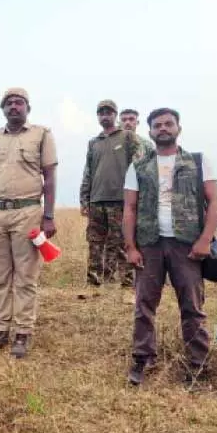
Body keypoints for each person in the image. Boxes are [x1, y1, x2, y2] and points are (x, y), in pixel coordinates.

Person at [123, 108, 217, 386]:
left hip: (187, 244)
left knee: (192, 306)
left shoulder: (198, 162)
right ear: (150, 132)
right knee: (144, 304)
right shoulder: (138, 166)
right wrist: (130, 247)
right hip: (149, 243)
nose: (163, 128)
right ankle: (143, 359)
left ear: (179, 128)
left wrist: (204, 240)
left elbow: (213, 202)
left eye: (168, 124)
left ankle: (197, 365)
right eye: (157, 125)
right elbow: (129, 208)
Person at [0, 88, 58, 358]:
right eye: (9, 103)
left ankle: (23, 332)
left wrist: (48, 216)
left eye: (19, 103)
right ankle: (0, 329)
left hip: (28, 213)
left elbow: (49, 176)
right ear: (3, 109)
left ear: (27, 108)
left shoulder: (41, 135)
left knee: (25, 276)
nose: (14, 107)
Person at [79, 100, 142, 291]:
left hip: (120, 200)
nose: (105, 116)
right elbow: (88, 171)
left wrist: (137, 197)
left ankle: (126, 283)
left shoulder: (128, 137)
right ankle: (93, 282)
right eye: (101, 113)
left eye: (108, 112)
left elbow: (138, 167)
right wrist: (84, 198)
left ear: (115, 115)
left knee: (122, 241)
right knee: (95, 242)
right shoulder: (94, 142)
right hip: (96, 200)